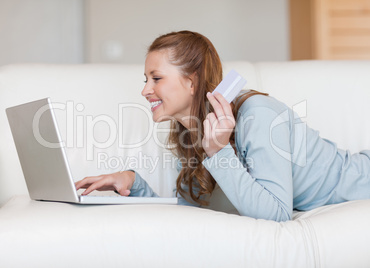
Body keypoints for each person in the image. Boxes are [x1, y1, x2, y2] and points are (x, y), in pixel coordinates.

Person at [75, 30, 370, 222]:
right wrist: (133, 183)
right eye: (145, 80)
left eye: (156, 78)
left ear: (191, 81)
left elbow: (277, 214)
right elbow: (193, 213)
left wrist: (218, 153)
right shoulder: (190, 133)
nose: (145, 91)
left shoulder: (257, 114)